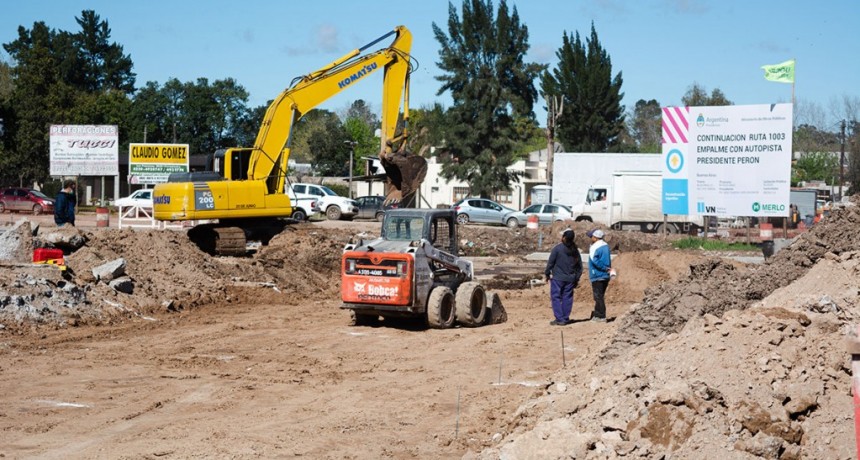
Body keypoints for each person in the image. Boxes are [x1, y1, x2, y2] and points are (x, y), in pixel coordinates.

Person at [544, 229, 582, 326]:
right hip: (570, 279)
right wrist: (576, 278)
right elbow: (579, 266)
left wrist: (547, 274)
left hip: (558, 278)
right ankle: (565, 318)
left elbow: (550, 263)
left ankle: (559, 319)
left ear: (564, 238)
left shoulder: (557, 249)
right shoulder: (575, 250)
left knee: (556, 297)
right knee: (567, 298)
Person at [587, 229, 611, 322]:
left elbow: (595, 260)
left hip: (597, 274)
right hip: (605, 275)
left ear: (595, 237)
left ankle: (601, 316)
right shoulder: (605, 246)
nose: (591, 238)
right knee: (599, 296)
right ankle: (597, 314)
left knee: (598, 296)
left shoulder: (595, 247)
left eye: (592, 236)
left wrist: (604, 268)